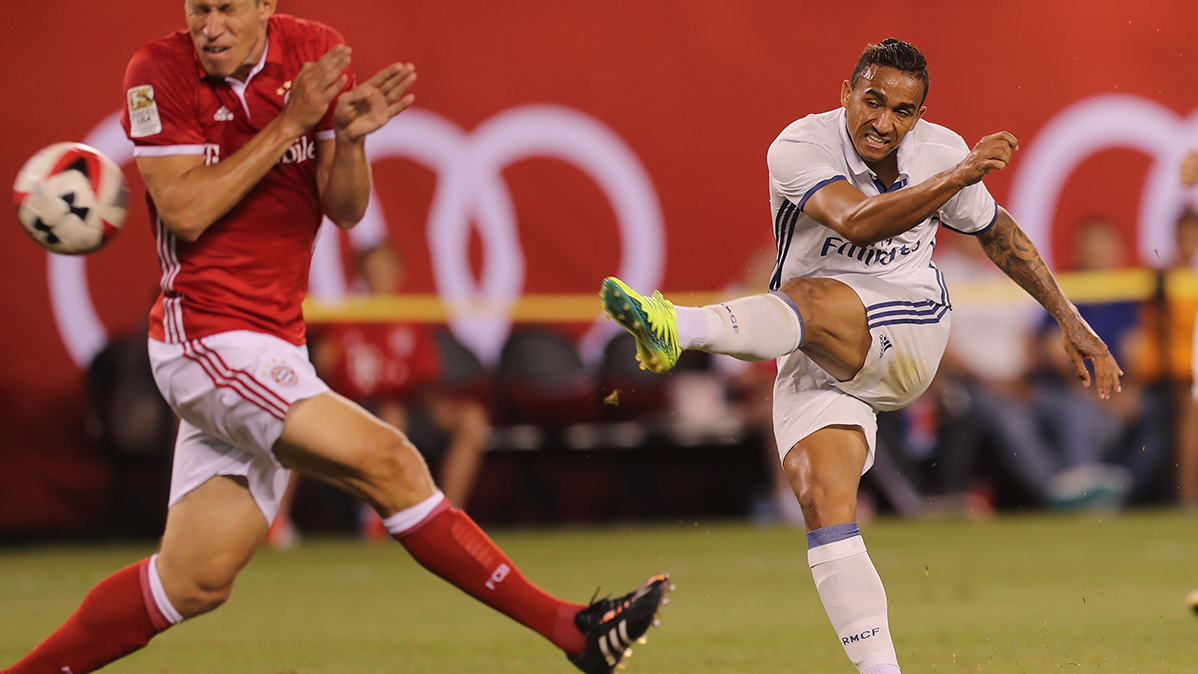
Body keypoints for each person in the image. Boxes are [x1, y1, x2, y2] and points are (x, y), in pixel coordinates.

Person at [3, 3, 668, 674]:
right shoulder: (158, 72)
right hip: (205, 341)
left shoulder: (314, 52)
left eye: (227, 8)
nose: (210, 25)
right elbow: (185, 209)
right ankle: (571, 629)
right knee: (393, 461)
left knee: (192, 582)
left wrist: (347, 140)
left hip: (273, 343)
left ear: (264, 5)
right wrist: (291, 122)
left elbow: (345, 209)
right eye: (198, 8)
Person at [601, 38, 1120, 674]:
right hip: (817, 345)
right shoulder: (800, 146)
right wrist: (958, 176)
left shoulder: (939, 150)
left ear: (920, 116)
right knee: (822, 499)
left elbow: (997, 232)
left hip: (910, 329)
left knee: (808, 297)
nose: (884, 123)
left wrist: (1069, 318)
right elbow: (857, 222)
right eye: (872, 102)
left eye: (903, 112)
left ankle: (674, 325)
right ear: (844, 94)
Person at [268, 242, 491, 546]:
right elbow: (323, 375)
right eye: (372, 272)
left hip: (407, 410)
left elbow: (425, 382)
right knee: (297, 418)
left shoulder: (411, 319)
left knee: (471, 418)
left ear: (397, 274)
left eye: (385, 271)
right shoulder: (344, 320)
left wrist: (439, 407)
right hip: (354, 410)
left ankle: (446, 523)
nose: (379, 278)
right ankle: (284, 520)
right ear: (361, 277)